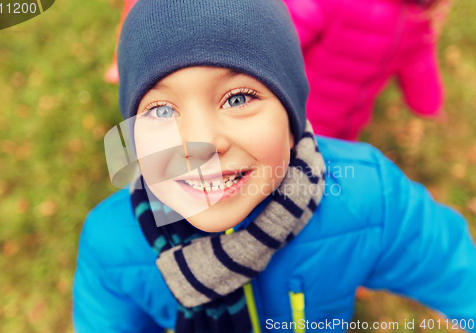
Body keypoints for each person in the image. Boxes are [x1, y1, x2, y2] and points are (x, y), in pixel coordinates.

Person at [73, 0, 476, 332]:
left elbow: (454, 270)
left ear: (291, 115)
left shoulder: (369, 198)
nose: (202, 143)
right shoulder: (111, 244)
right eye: (160, 109)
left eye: (237, 99)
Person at [282, 0, 452, 140]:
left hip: (346, 126)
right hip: (294, 116)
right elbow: (282, 34)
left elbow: (418, 61)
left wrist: (429, 103)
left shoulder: (415, 16)